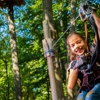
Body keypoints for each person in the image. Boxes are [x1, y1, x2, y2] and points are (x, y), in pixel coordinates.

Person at [66, 12, 100, 100]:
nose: (76, 46)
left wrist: (93, 13)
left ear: (84, 42)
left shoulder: (92, 51)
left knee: (91, 96)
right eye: (73, 45)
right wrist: (77, 65)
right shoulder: (73, 64)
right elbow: (70, 86)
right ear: (71, 50)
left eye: (78, 42)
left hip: (98, 83)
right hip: (85, 89)